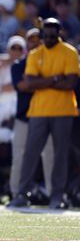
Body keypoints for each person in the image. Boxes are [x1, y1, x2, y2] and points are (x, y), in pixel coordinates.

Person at [8, 18, 79, 209]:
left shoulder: (70, 53)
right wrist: (56, 78)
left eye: (52, 35)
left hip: (64, 110)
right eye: (45, 35)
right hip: (38, 111)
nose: (48, 38)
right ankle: (22, 194)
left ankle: (57, 196)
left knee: (60, 155)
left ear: (59, 33)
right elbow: (29, 83)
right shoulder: (35, 54)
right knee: (30, 153)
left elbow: (71, 83)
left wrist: (42, 81)